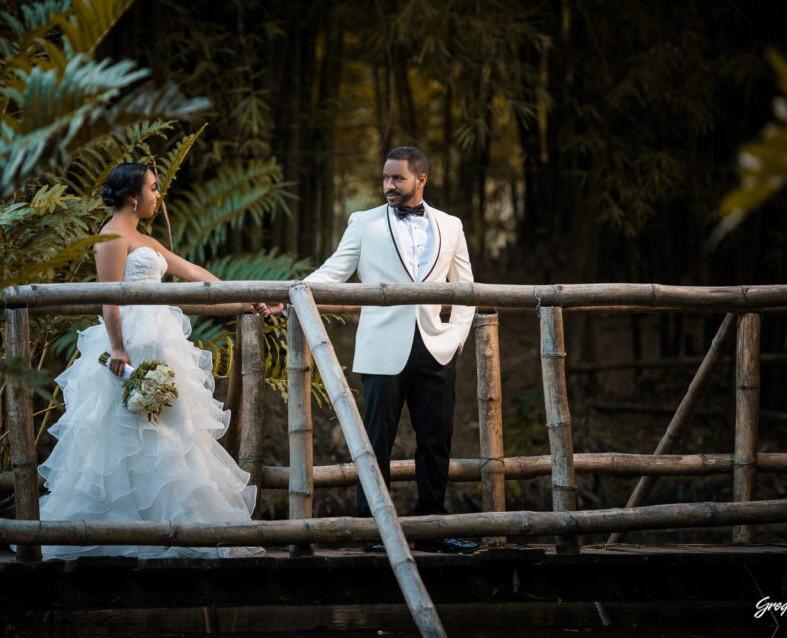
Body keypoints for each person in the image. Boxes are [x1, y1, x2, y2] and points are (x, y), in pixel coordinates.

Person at [36, 162, 274, 560]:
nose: (158, 195)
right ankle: (119, 528)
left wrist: (247, 297)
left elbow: (192, 271)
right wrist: (117, 347)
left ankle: (179, 523)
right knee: (126, 429)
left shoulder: (142, 237)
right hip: (129, 337)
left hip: (161, 337)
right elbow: (109, 295)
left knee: (170, 427)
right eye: (153, 188)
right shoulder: (112, 236)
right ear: (133, 196)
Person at [303, 146, 478, 554]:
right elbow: (334, 271)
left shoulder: (451, 225)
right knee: (376, 441)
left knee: (436, 440)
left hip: (436, 349)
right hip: (381, 350)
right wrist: (288, 294)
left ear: (421, 179)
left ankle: (431, 527)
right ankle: (372, 529)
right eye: (385, 178)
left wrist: (454, 338)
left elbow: (467, 289)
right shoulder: (363, 223)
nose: (388, 186)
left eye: (397, 179)